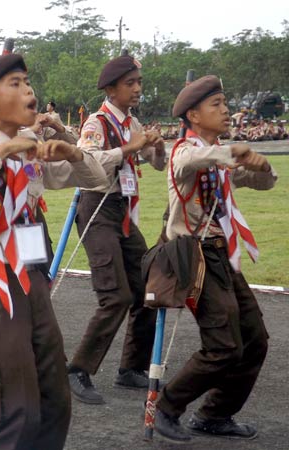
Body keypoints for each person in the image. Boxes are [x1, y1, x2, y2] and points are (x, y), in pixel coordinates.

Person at [0, 53, 107, 450]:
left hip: (30, 278)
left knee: (54, 400)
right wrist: (1, 153)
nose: (28, 90)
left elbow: (98, 181)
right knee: (15, 410)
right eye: (14, 83)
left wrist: (72, 152)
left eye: (27, 81)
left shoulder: (36, 149)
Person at [152, 75, 276, 443]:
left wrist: (261, 167)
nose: (226, 111)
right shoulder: (185, 152)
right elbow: (196, 158)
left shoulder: (219, 155)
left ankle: (216, 414)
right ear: (193, 114)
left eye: (225, 103)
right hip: (195, 256)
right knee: (224, 345)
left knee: (255, 339)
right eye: (217, 105)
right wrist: (233, 152)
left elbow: (263, 182)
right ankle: (167, 406)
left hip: (222, 255)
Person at [67, 54, 166, 405]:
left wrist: (155, 147)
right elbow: (86, 163)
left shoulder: (133, 123)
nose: (138, 88)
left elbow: (156, 164)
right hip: (97, 210)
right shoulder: (96, 124)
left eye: (139, 82)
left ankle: (131, 368)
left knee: (149, 289)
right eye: (130, 83)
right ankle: (78, 369)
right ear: (112, 89)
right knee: (116, 296)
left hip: (122, 211)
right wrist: (128, 148)